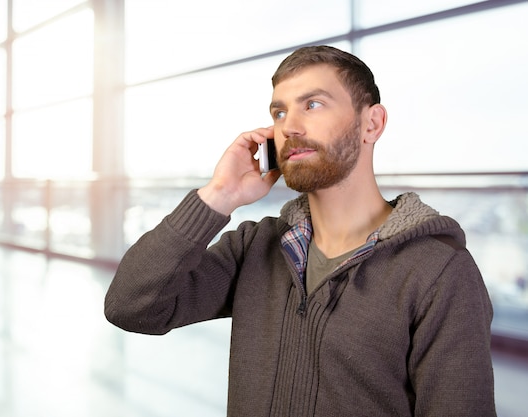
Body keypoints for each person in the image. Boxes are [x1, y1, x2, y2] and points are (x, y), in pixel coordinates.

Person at [104, 45, 496, 416]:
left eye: (313, 104)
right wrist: (218, 196)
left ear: (371, 123)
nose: (288, 126)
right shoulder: (254, 246)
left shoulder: (438, 270)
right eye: (278, 113)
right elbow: (132, 308)